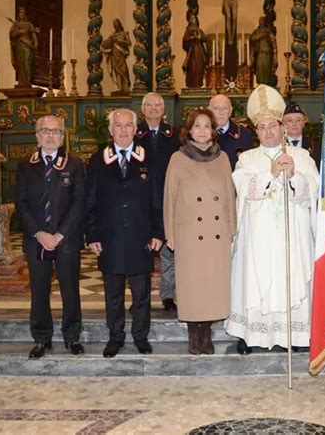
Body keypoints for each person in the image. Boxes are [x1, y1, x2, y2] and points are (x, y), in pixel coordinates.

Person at [224, 84, 319, 354]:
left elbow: (314, 190)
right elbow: (243, 189)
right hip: (258, 239)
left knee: (292, 280)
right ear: (256, 132)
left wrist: (294, 177)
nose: (268, 131)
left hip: (293, 238)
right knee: (255, 280)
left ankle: (296, 335)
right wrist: (271, 174)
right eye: (262, 127)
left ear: (283, 128)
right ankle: (251, 334)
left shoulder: (301, 156)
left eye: (273, 126)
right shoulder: (246, 159)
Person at [85, 108, 164, 358]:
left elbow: (157, 201)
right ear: (111, 131)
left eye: (128, 125)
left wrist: (158, 233)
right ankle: (115, 337)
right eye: (118, 126)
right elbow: (90, 203)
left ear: (135, 129)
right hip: (109, 239)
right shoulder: (98, 161)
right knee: (113, 295)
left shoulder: (148, 160)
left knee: (141, 295)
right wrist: (93, 236)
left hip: (141, 238)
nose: (123, 130)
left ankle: (140, 336)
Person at [163, 108, 236, 355]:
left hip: (216, 232)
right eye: (197, 126)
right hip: (188, 233)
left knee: (212, 284)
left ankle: (207, 331)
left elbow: (229, 195)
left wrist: (232, 228)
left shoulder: (222, 157)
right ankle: (195, 333)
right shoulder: (178, 158)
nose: (202, 131)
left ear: (213, 130)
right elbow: (169, 198)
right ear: (189, 130)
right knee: (192, 285)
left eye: (207, 126)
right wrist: (169, 233)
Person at [15, 115, 84, 359]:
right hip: (36, 240)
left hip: (66, 239)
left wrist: (59, 233)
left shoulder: (74, 164)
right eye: (45, 131)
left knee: (70, 290)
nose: (50, 135)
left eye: (56, 131)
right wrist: (39, 233)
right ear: (37, 135)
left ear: (63, 136)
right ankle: (42, 338)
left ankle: (72, 337)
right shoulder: (25, 165)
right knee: (39, 290)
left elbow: (79, 203)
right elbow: (21, 204)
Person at [136, 92, 180, 311]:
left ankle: (168, 294)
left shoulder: (174, 136)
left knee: (169, 250)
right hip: (141, 201)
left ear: (163, 110)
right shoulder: (134, 135)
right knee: (141, 250)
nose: (153, 109)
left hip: (168, 199)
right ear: (142, 110)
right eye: (149, 105)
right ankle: (140, 296)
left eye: (157, 105)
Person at [208, 93, 254, 170]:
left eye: (225, 108)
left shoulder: (245, 134)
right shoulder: (201, 135)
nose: (221, 113)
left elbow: (250, 167)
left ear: (230, 111)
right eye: (216, 108)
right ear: (209, 111)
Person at [283, 102, 321, 168]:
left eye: (298, 120)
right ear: (284, 124)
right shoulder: (279, 146)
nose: (294, 123)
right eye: (290, 120)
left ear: (303, 124)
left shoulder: (316, 147)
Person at [101, 18, 132, 94]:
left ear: (119, 24)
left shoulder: (124, 33)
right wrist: (108, 42)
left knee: (123, 69)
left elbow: (129, 42)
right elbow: (105, 44)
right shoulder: (112, 35)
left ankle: (126, 86)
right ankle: (121, 87)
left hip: (120, 54)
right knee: (116, 70)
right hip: (114, 55)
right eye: (114, 24)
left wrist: (119, 41)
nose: (115, 25)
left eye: (116, 23)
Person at [9, 7, 38, 87]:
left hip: (27, 45)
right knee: (20, 63)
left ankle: (27, 80)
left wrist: (35, 44)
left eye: (22, 13)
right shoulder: (15, 25)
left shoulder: (29, 24)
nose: (21, 14)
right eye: (20, 13)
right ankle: (21, 82)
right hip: (19, 46)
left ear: (25, 14)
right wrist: (18, 32)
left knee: (27, 63)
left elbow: (33, 35)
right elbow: (12, 36)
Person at [250, 16, 278, 86]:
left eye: (262, 20)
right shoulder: (256, 31)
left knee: (266, 69)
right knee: (259, 69)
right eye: (260, 21)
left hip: (267, 53)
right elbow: (252, 38)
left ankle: (266, 83)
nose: (261, 22)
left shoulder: (268, 31)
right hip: (259, 53)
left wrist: (275, 55)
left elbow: (273, 41)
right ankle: (260, 83)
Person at [182, 15, 208, 88]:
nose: (193, 20)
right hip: (192, 53)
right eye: (191, 19)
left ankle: (198, 83)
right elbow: (185, 42)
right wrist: (191, 38)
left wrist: (199, 37)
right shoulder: (187, 31)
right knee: (192, 68)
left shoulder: (199, 30)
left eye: (194, 18)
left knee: (199, 67)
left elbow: (205, 38)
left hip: (199, 52)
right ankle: (192, 84)